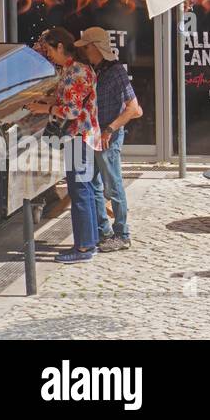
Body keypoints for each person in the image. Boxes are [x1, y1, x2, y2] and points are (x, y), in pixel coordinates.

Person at [26, 28, 100, 263]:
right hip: (81, 136)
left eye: (49, 50)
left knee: (80, 191)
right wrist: (47, 101)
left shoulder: (76, 71)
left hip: (78, 137)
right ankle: (89, 243)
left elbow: (71, 110)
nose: (49, 55)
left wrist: (44, 109)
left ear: (60, 47)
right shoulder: (75, 68)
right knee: (83, 190)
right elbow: (68, 99)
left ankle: (84, 248)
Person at [75, 27, 142, 252]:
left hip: (107, 136)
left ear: (95, 47)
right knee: (94, 184)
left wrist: (110, 130)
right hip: (95, 134)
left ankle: (122, 234)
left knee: (113, 185)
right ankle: (104, 232)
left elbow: (134, 109)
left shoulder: (114, 72)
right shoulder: (96, 70)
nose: (83, 50)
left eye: (85, 46)